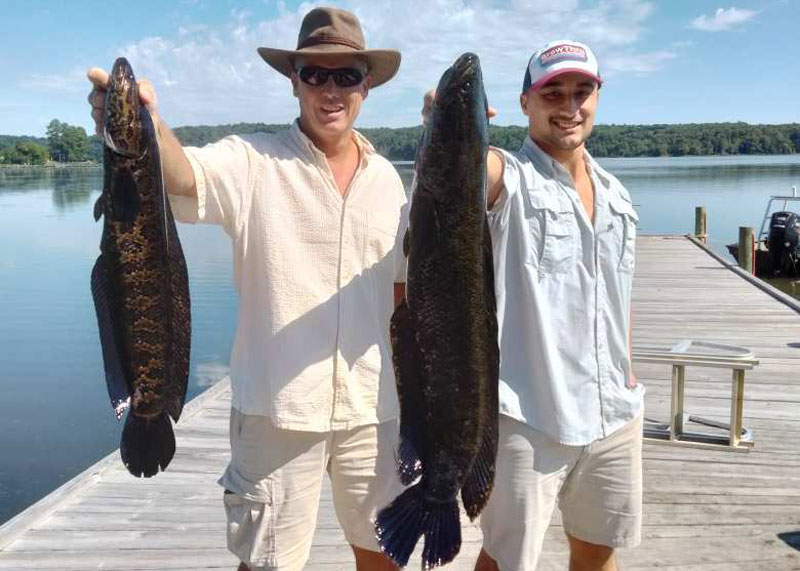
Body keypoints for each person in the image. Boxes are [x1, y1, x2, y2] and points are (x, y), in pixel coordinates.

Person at [87, 7, 407, 571]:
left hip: (371, 408)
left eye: (346, 75)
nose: (330, 89)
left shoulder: (387, 180)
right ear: (294, 80)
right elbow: (185, 176)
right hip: (275, 412)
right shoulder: (252, 160)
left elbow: (403, 293)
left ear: (367, 85)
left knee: (383, 554)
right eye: (315, 73)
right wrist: (144, 122)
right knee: (267, 564)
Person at [425, 40, 642, 571]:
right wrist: (446, 128)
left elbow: (617, 296)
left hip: (613, 411)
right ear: (526, 103)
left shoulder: (617, 194)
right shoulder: (510, 177)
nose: (568, 106)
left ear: (597, 97)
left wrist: (628, 372)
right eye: (552, 93)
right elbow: (475, 176)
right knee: (505, 559)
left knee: (598, 551)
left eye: (580, 92)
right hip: (528, 416)